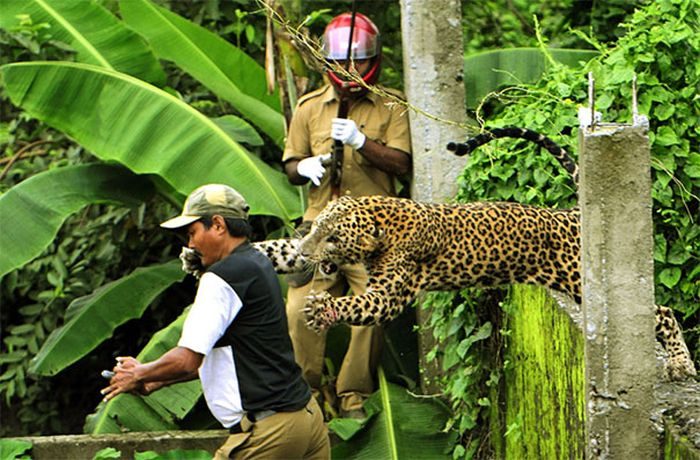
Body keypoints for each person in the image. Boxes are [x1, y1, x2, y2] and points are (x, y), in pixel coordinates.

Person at [100, 184, 330, 459]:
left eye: (193, 232)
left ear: (218, 225)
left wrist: (138, 373)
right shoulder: (257, 263)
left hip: (272, 431)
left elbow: (187, 358)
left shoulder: (221, 278)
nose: (191, 245)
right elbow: (233, 358)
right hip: (307, 419)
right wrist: (155, 381)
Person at [282, 12, 412, 418]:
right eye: (341, 62)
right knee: (300, 310)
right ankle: (308, 395)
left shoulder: (391, 105)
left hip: (373, 230)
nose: (349, 70)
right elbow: (290, 163)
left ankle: (353, 394)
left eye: (357, 61)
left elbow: (401, 163)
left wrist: (362, 143)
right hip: (319, 225)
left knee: (372, 308)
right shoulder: (308, 109)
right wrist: (303, 167)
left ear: (373, 60)